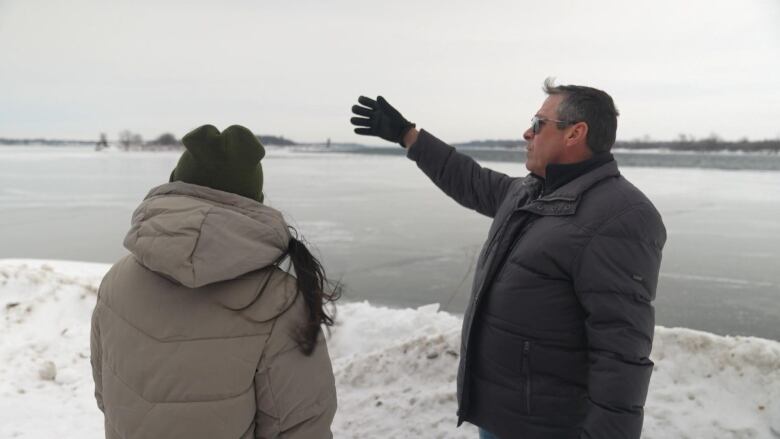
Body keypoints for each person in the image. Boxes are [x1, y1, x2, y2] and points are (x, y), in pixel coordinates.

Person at [350, 79, 666, 439]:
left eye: (538, 123)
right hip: (504, 414)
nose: (526, 133)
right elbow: (470, 180)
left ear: (575, 133)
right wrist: (409, 135)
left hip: (548, 427)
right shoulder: (531, 192)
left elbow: (620, 352)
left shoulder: (619, 216)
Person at [89, 124, 339, 438]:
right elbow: (303, 428)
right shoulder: (281, 303)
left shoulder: (117, 281)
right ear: (253, 200)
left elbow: (105, 396)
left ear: (175, 186)